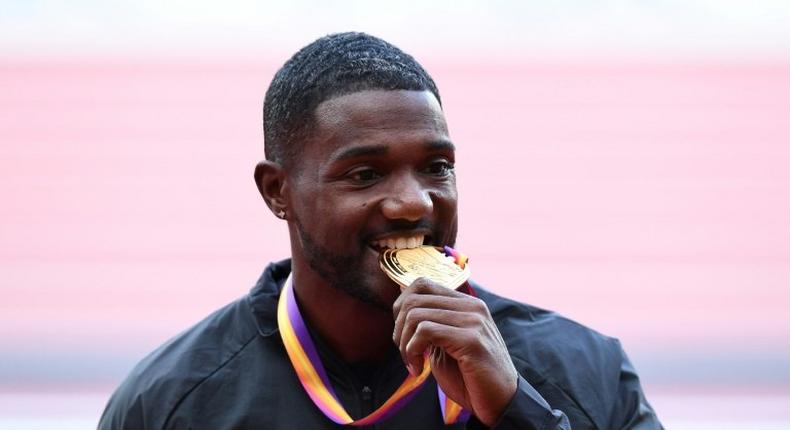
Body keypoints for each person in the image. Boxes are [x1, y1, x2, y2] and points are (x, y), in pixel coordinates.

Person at [98, 32, 662, 429]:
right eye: (365, 174)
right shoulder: (170, 401)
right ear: (278, 192)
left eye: (437, 166)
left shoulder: (587, 371)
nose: (412, 202)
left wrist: (517, 413)